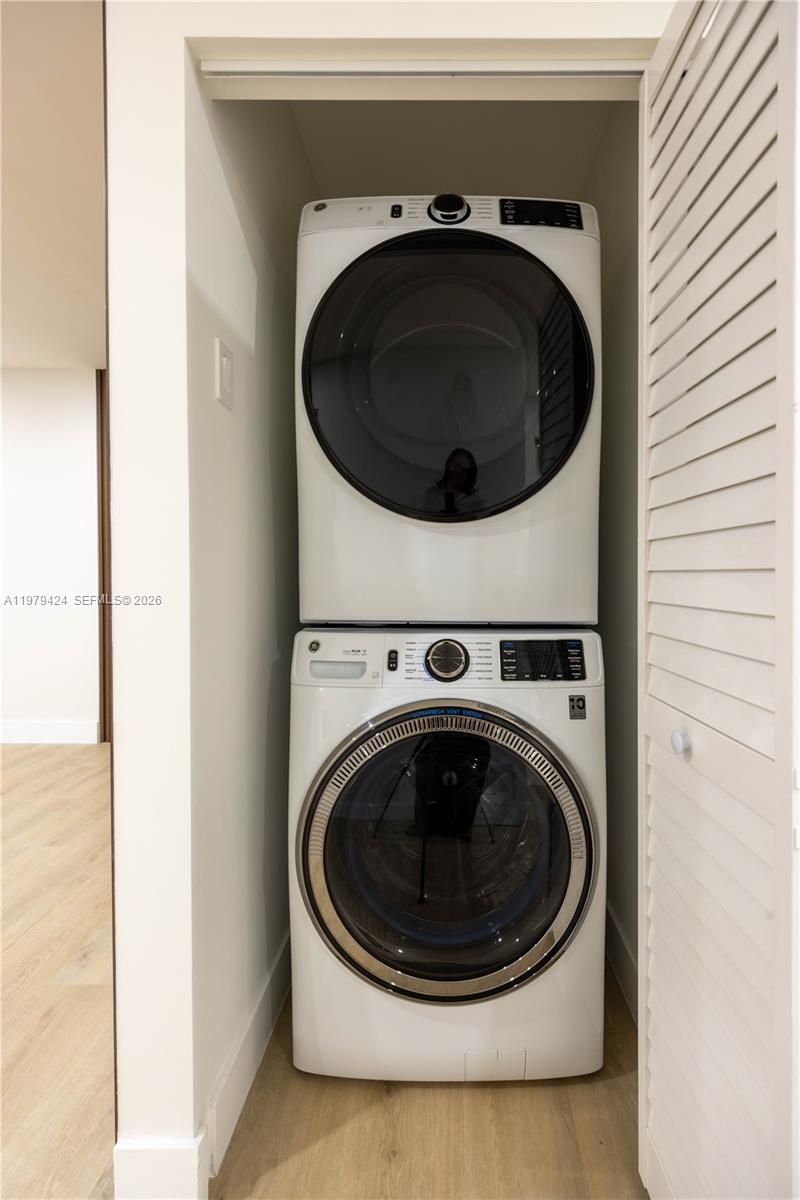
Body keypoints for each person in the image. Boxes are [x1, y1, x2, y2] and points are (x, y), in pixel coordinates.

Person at [424, 446, 482, 515]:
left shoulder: (474, 498)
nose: (458, 471)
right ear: (449, 465)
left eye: (464, 470)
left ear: (469, 475)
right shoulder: (432, 493)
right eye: (456, 465)